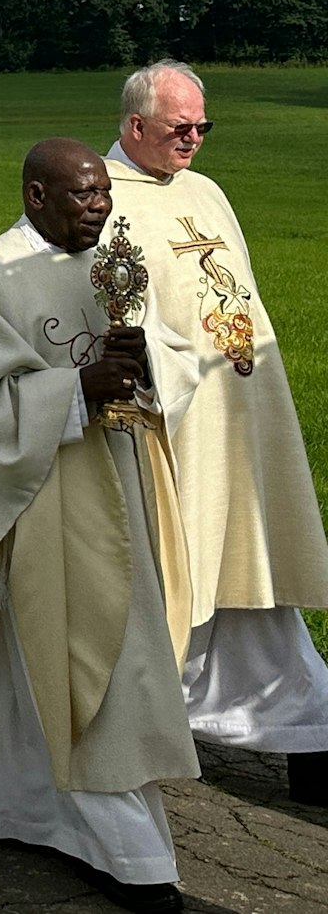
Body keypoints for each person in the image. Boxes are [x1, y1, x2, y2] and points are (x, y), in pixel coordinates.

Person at [0, 138, 200, 914]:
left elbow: (171, 351)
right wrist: (78, 385)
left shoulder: (109, 263)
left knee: (105, 659)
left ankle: (29, 810)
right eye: (81, 196)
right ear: (36, 195)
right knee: (76, 663)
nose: (99, 207)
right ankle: (127, 852)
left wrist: (146, 359)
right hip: (40, 502)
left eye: (104, 192)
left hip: (117, 483)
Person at [99, 60, 328, 804]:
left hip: (240, 416)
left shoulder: (206, 190)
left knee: (255, 579)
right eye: (180, 128)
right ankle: (146, 727)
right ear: (136, 126)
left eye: (203, 126)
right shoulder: (102, 197)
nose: (195, 139)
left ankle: (306, 731)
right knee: (179, 578)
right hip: (175, 424)